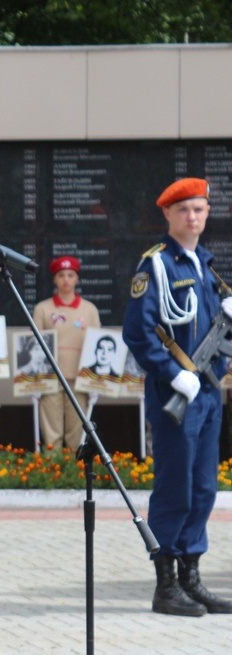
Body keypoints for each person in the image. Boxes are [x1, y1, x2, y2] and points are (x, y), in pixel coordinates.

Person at [123, 177, 232, 617]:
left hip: (207, 395)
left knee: (204, 486)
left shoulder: (206, 267)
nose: (193, 217)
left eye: (199, 209)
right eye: (184, 210)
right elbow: (139, 332)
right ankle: (165, 585)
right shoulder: (157, 266)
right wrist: (172, 374)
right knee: (176, 488)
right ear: (167, 215)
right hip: (178, 395)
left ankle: (192, 577)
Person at [33, 256, 100, 449]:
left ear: (77, 279)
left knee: (77, 431)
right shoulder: (43, 309)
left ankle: (74, 475)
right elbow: (35, 345)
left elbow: (96, 344)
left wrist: (97, 381)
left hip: (79, 377)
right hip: (50, 377)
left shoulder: (89, 309)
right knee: (51, 433)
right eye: (61, 275)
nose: (66, 280)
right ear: (54, 279)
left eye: (71, 275)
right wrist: (33, 380)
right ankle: (52, 474)